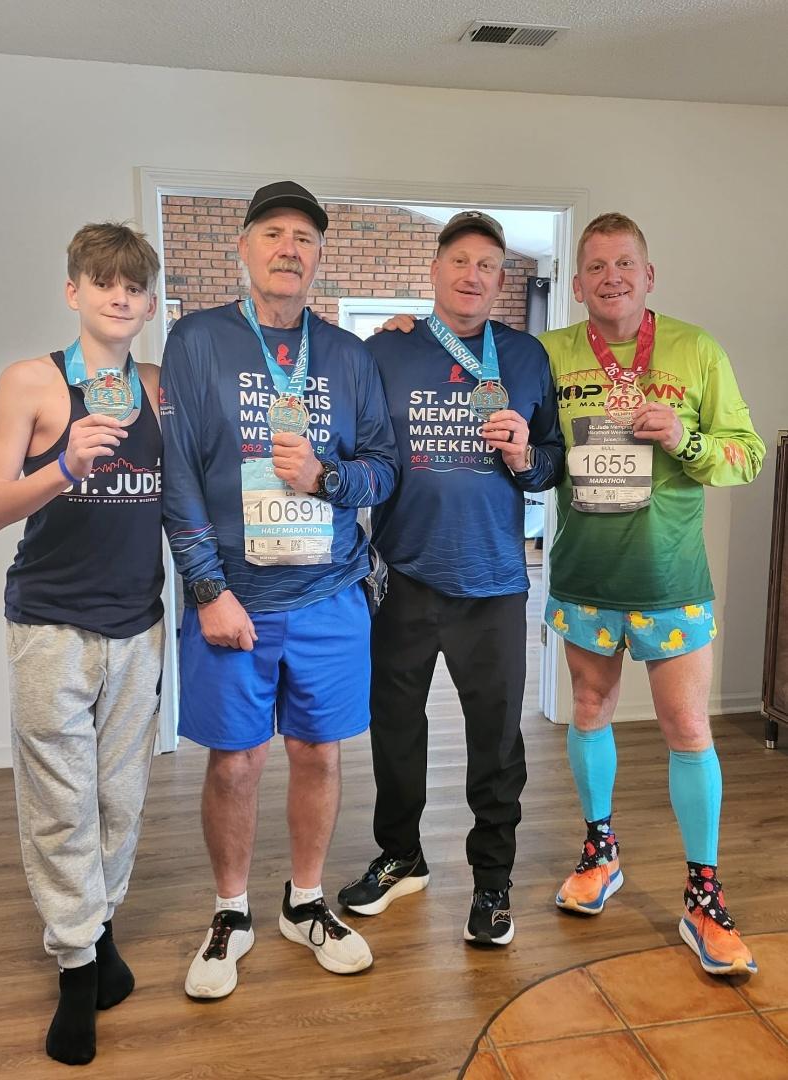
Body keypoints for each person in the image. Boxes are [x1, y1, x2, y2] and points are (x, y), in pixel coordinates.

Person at [160, 180, 399, 998]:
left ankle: (304, 901)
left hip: (331, 594)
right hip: (234, 597)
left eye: (304, 236)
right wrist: (205, 589)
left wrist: (329, 476)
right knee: (234, 764)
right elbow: (179, 476)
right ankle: (231, 913)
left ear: (319, 256)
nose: (289, 248)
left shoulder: (348, 355)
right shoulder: (196, 341)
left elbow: (383, 471)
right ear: (245, 247)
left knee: (319, 755)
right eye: (274, 233)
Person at [540, 212, 765, 976]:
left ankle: (704, 899)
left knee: (687, 729)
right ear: (577, 284)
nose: (612, 277)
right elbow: (496, 410)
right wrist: (405, 337)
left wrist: (685, 440)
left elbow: (748, 455)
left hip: (669, 583)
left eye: (625, 264)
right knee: (591, 710)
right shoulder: (551, 351)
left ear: (649, 275)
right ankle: (600, 855)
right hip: (583, 577)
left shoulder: (695, 349)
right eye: (596, 266)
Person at [338, 211, 565, 944]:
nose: (473, 276)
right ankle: (402, 855)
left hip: (496, 582)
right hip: (402, 575)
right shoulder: (386, 353)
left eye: (488, 266)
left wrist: (529, 455)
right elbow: (358, 450)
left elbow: (553, 463)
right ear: (435, 270)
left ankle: (493, 884)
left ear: (502, 280)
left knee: (497, 741)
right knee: (396, 729)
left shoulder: (527, 357)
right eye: (460, 261)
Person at [0, 223, 164, 1065]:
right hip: (51, 623)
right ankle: (78, 970)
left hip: (139, 622)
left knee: (119, 797)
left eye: (133, 286)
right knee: (60, 803)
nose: (119, 296)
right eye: (103, 282)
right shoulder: (31, 382)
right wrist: (63, 467)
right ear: (74, 293)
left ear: (149, 303)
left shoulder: (159, 387)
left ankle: (101, 930)